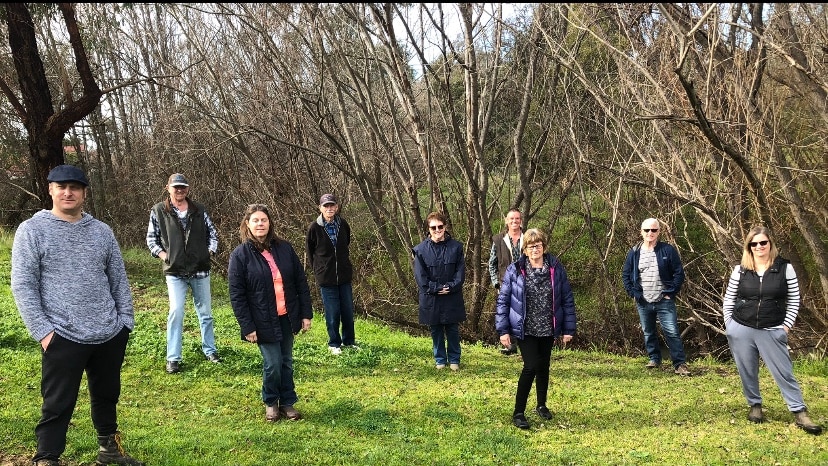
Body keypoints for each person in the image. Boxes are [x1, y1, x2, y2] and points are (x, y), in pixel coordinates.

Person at [11, 164, 143, 466]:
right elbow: (23, 284)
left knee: (107, 395)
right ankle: (47, 457)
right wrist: (44, 332)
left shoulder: (101, 232)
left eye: (75, 187)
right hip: (62, 333)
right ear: (51, 190)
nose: (68, 192)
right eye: (61, 186)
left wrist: (125, 322)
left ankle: (109, 449)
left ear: (84, 192)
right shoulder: (33, 230)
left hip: (109, 331)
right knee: (57, 402)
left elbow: (118, 279)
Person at [722, 226, 822, 435]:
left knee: (784, 372)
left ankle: (799, 412)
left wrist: (785, 326)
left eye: (763, 243)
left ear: (770, 244)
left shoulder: (784, 267)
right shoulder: (740, 269)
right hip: (741, 327)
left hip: (772, 328)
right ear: (749, 246)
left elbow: (794, 299)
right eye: (754, 243)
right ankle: (755, 406)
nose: (759, 247)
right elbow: (729, 298)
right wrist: (729, 325)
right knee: (747, 370)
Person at [229, 204, 313, 422]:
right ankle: (270, 402)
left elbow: (300, 282)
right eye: (255, 220)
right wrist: (247, 326)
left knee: (286, 361)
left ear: (270, 223)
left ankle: (287, 402)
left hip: (287, 316)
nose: (260, 224)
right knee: (273, 363)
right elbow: (237, 295)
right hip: (261, 319)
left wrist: (306, 313)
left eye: (263, 220)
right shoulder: (240, 256)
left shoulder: (284, 248)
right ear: (247, 224)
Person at [495, 228, 577, 430]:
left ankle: (541, 404)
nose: (534, 249)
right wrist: (503, 330)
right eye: (530, 246)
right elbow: (503, 301)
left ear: (544, 247)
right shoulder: (515, 270)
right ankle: (518, 412)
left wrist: (568, 328)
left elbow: (567, 299)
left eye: (538, 245)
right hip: (526, 328)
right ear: (524, 250)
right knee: (530, 366)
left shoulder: (556, 268)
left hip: (548, 327)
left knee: (543, 367)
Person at [146, 173, 220, 374]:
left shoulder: (198, 209)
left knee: (205, 313)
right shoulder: (159, 211)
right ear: (168, 188)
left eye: (183, 187)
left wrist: (208, 252)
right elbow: (152, 239)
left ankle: (210, 350)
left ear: (188, 189)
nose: (180, 190)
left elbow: (213, 234)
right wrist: (164, 256)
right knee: (176, 312)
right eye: (176, 187)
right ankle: (173, 357)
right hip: (175, 272)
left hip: (200, 270)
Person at [622, 218, 691, 375]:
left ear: (659, 232)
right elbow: (626, 275)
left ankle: (679, 364)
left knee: (672, 332)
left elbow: (679, 273)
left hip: (664, 300)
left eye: (653, 230)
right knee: (648, 331)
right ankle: (654, 359)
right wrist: (633, 293)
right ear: (641, 232)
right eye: (647, 230)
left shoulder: (667, 250)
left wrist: (671, 292)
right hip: (643, 301)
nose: (650, 233)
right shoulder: (634, 252)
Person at [411, 212, 467, 371]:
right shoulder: (420, 250)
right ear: (428, 229)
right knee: (435, 329)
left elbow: (460, 273)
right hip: (431, 297)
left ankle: (455, 359)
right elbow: (420, 278)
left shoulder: (456, 247)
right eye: (433, 227)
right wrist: (436, 288)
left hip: (452, 295)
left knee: (452, 328)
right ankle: (440, 360)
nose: (437, 230)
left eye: (440, 226)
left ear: (445, 227)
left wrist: (449, 287)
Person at [306, 193, 357, 355]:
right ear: (320, 208)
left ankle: (349, 341)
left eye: (332, 205)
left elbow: (346, 243)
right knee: (333, 312)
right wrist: (319, 272)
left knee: (348, 311)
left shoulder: (343, 224)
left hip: (344, 276)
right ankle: (334, 343)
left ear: (336, 207)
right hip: (326, 278)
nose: (329, 209)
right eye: (326, 206)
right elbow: (310, 252)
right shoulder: (314, 228)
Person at [489, 208, 524, 355]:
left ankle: (526, 346)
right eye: (511, 219)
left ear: (521, 220)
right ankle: (510, 346)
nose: (514, 221)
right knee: (507, 314)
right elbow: (492, 263)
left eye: (517, 218)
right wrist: (496, 283)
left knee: (525, 313)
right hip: (505, 283)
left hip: (526, 282)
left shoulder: (528, 237)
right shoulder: (498, 240)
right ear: (506, 221)